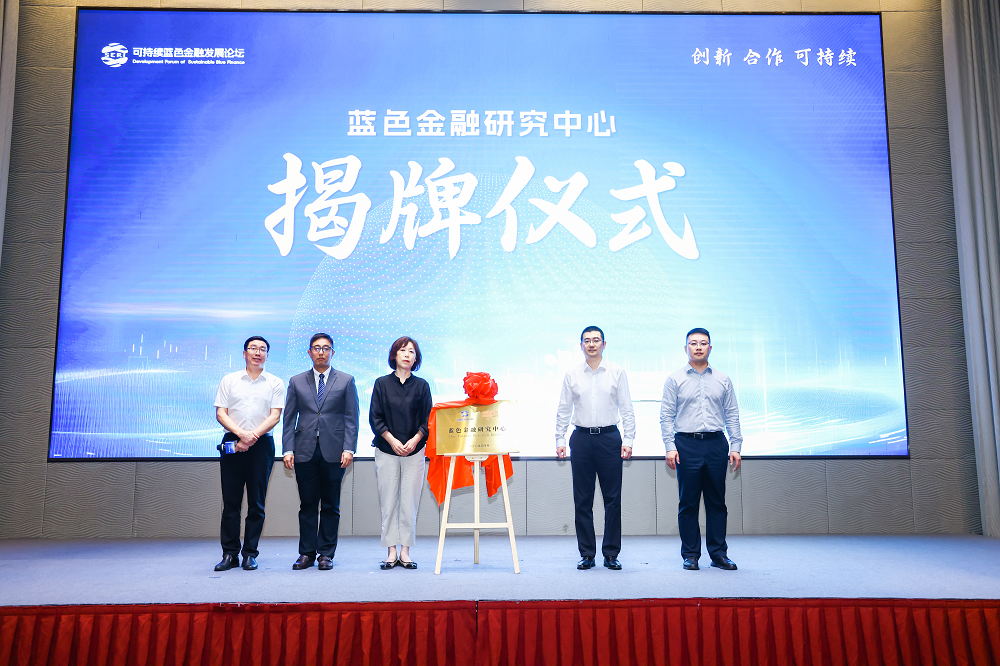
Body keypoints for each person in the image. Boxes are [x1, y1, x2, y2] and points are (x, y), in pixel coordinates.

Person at [660, 328, 742, 571]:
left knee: (717, 502)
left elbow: (732, 414)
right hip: (686, 445)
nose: (698, 347)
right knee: (688, 503)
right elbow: (666, 416)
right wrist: (670, 446)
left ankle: (718, 555)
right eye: (693, 343)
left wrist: (736, 445)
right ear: (686, 348)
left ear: (710, 348)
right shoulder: (674, 379)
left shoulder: (723, 379)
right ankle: (690, 555)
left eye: (703, 343)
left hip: (716, 443)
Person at [555, 326, 635, 571]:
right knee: (582, 500)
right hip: (581, 439)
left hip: (609, 438)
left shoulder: (617, 372)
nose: (591, 344)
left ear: (604, 344)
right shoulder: (571, 374)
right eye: (587, 341)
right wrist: (559, 439)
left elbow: (627, 408)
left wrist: (628, 440)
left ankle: (611, 554)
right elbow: (563, 408)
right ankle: (587, 554)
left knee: (613, 500)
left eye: (596, 340)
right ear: (581, 345)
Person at [282, 333, 359, 571]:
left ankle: (326, 553)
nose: (321, 352)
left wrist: (349, 448)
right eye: (316, 348)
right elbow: (289, 418)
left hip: (335, 451)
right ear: (309, 352)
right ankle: (306, 553)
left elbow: (352, 418)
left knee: (330, 505)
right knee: (307, 505)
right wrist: (287, 449)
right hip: (303, 450)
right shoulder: (296, 381)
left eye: (326, 348)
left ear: (332, 352)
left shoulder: (346, 380)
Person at [212, 336, 285, 572]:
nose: (257, 352)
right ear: (245, 353)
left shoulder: (275, 382)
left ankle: (250, 554)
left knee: (257, 503)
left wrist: (251, 437)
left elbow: (275, 416)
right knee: (231, 502)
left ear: (267, 355)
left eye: (262, 349)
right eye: (253, 348)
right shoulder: (229, 380)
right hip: (232, 443)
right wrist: (241, 435)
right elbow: (221, 413)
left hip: (262, 445)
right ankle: (229, 554)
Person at [368, 336, 433, 570]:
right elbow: (375, 417)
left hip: (414, 451)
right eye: (403, 350)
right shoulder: (381, 383)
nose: (407, 354)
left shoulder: (422, 385)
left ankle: (405, 552)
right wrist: (393, 440)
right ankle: (391, 551)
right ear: (394, 355)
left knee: (409, 503)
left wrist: (414, 440)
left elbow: (428, 419)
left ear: (416, 358)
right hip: (387, 449)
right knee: (388, 502)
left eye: (412, 351)